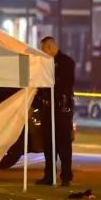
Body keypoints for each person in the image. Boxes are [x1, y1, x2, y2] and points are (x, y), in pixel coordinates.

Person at [36, 36, 75, 187]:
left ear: (50, 47)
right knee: (48, 143)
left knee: (63, 143)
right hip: (48, 107)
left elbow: (64, 84)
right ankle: (49, 175)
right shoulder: (45, 63)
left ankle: (66, 177)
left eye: (44, 50)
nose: (43, 53)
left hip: (62, 108)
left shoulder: (66, 62)